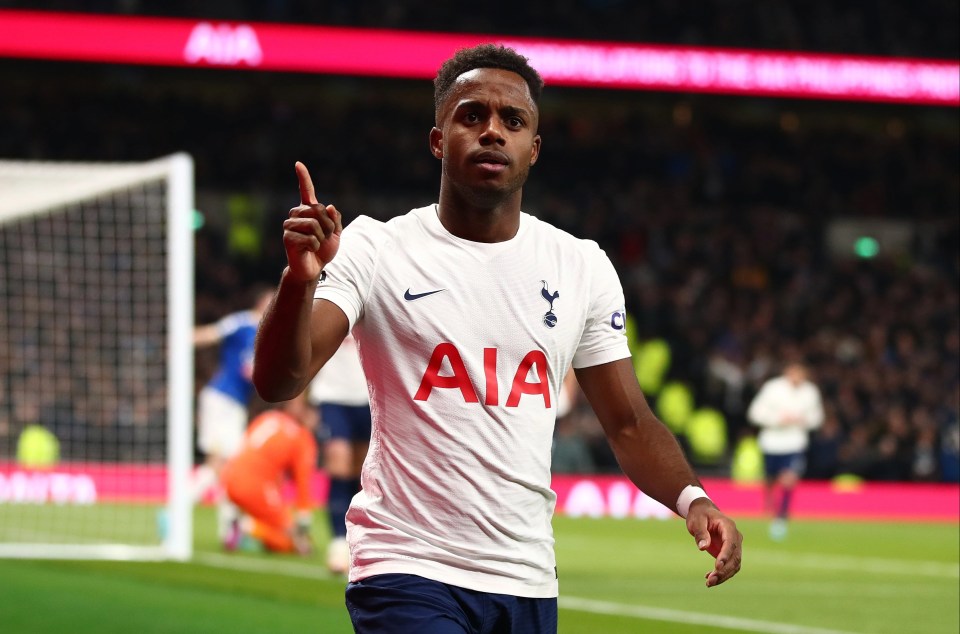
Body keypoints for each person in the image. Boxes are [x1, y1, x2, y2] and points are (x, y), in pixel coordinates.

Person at [254, 44, 742, 633]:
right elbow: (280, 379)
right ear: (438, 139)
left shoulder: (580, 266)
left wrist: (695, 501)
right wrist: (299, 282)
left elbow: (629, 423)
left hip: (526, 579)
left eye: (512, 121)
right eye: (472, 116)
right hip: (407, 567)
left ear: (533, 150)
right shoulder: (374, 247)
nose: (492, 132)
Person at [191, 286, 274, 545]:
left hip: (234, 405)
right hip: (220, 399)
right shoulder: (243, 322)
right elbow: (212, 333)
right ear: (261, 303)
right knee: (221, 466)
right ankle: (175, 514)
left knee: (230, 469)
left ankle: (230, 529)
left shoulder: (268, 336)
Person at [221, 391, 318, 555]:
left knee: (276, 526)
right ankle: (247, 527)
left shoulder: (267, 418)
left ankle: (241, 526)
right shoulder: (302, 437)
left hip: (230, 479)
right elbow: (302, 483)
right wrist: (303, 522)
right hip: (256, 488)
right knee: (290, 542)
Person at [309, 333, 371, 574]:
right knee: (338, 461)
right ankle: (337, 543)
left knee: (363, 471)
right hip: (332, 396)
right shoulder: (332, 300)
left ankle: (358, 542)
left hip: (368, 396)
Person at [747, 361, 824, 540]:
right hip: (771, 443)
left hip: (795, 443)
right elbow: (755, 413)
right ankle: (770, 505)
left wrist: (802, 419)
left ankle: (781, 517)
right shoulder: (772, 388)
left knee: (789, 479)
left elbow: (817, 418)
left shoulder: (810, 392)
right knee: (771, 480)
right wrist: (778, 419)